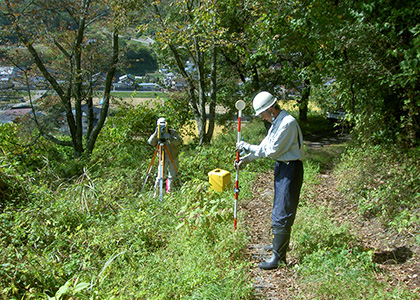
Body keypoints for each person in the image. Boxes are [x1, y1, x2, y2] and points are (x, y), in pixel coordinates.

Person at [235, 91, 304, 270]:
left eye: (262, 114)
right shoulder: (276, 123)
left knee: (283, 210)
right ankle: (277, 248)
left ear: (270, 109)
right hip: (282, 167)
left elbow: (272, 151)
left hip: (291, 168)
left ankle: (279, 259)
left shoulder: (287, 123)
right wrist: (246, 159)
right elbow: (265, 146)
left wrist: (248, 147)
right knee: (277, 209)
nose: (262, 118)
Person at [148, 117, 182, 195]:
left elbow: (178, 142)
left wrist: (170, 137)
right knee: (160, 176)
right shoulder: (157, 133)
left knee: (171, 176)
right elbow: (150, 142)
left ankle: (169, 192)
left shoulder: (172, 132)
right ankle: (156, 193)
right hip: (162, 158)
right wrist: (155, 134)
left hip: (173, 156)